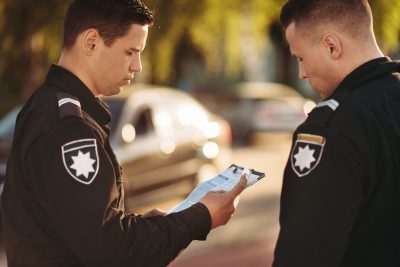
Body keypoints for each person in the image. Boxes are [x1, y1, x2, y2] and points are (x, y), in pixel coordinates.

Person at [0, 0, 247, 266]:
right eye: (130, 52)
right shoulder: (70, 128)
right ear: (91, 42)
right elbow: (113, 252)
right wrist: (200, 217)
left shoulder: (44, 103)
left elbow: (77, 228)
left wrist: (141, 226)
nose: (137, 66)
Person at [273, 0, 400, 266]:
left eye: (300, 58)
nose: (302, 73)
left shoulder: (331, 129)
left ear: (332, 46)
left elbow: (302, 257)